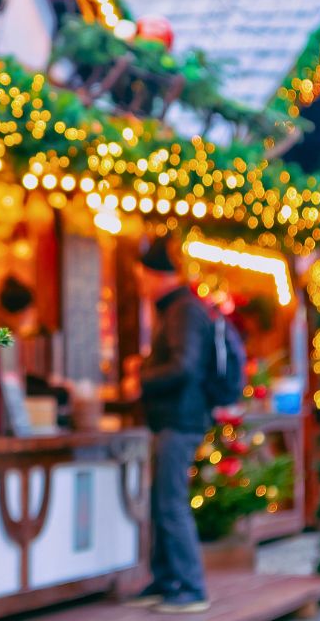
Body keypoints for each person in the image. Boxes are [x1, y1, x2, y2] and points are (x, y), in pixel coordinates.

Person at [126, 236, 213, 614]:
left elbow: (185, 366)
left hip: (180, 421)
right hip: (172, 420)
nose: (141, 285)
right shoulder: (176, 310)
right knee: (163, 502)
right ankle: (166, 580)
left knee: (171, 502)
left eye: (143, 277)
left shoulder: (183, 311)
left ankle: (191, 587)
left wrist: (141, 379)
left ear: (159, 276)